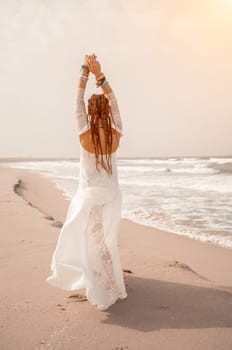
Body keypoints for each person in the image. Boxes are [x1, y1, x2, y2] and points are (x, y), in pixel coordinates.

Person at [46, 54, 128, 311]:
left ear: (91, 112)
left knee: (92, 240)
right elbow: (115, 103)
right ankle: (109, 280)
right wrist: (100, 76)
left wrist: (84, 72)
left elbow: (76, 102)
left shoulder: (83, 132)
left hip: (90, 195)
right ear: (106, 112)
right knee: (106, 238)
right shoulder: (116, 134)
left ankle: (100, 284)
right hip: (111, 194)